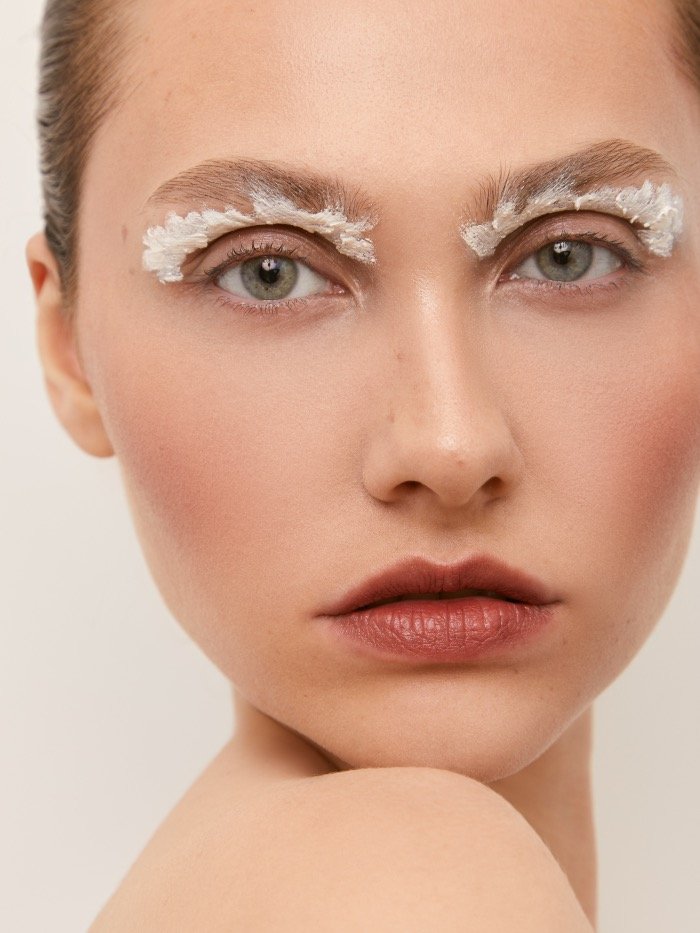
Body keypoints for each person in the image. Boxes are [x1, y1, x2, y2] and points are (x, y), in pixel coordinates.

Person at [25, 0, 700, 928]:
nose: (449, 447)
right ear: (70, 351)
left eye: (569, 255)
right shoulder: (408, 888)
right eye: (268, 271)